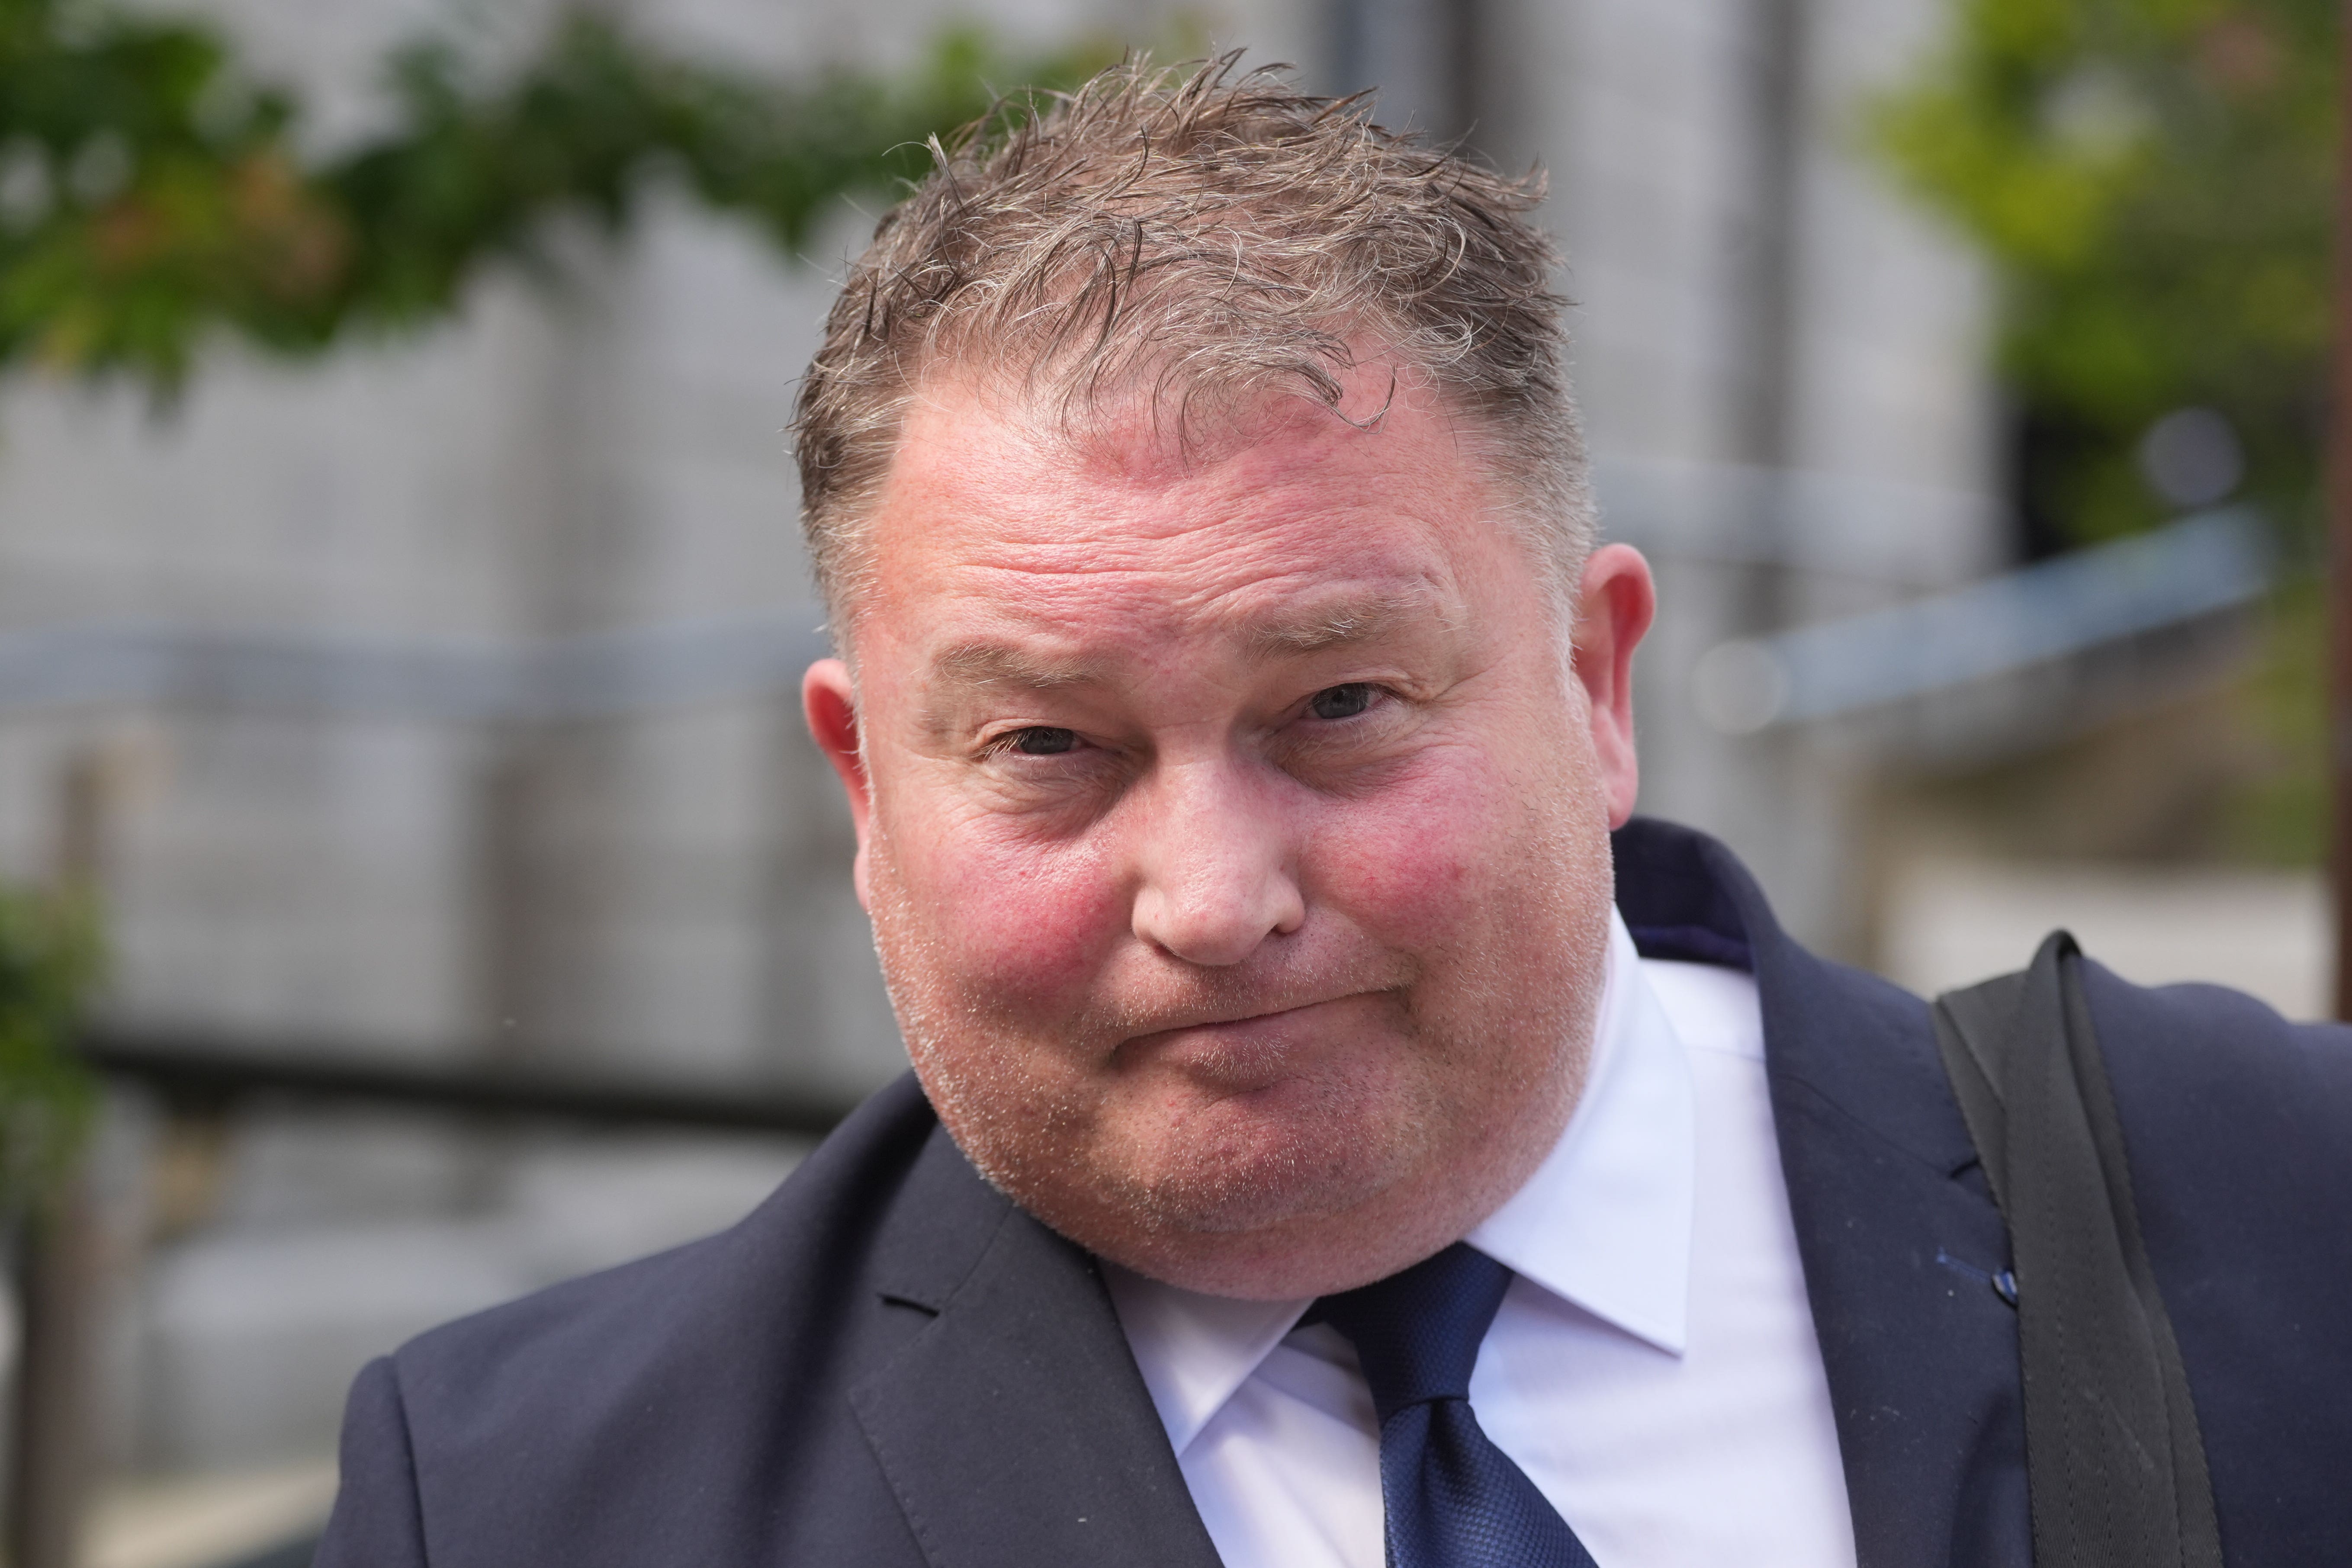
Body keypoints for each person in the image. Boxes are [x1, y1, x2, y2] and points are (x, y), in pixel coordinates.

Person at [313, 60, 2351, 1568]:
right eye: (1047, 746)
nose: (1211, 898)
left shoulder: (2278, 1213)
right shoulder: (530, 1501)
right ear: (865, 787)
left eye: (1341, 706)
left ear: (1593, 680)